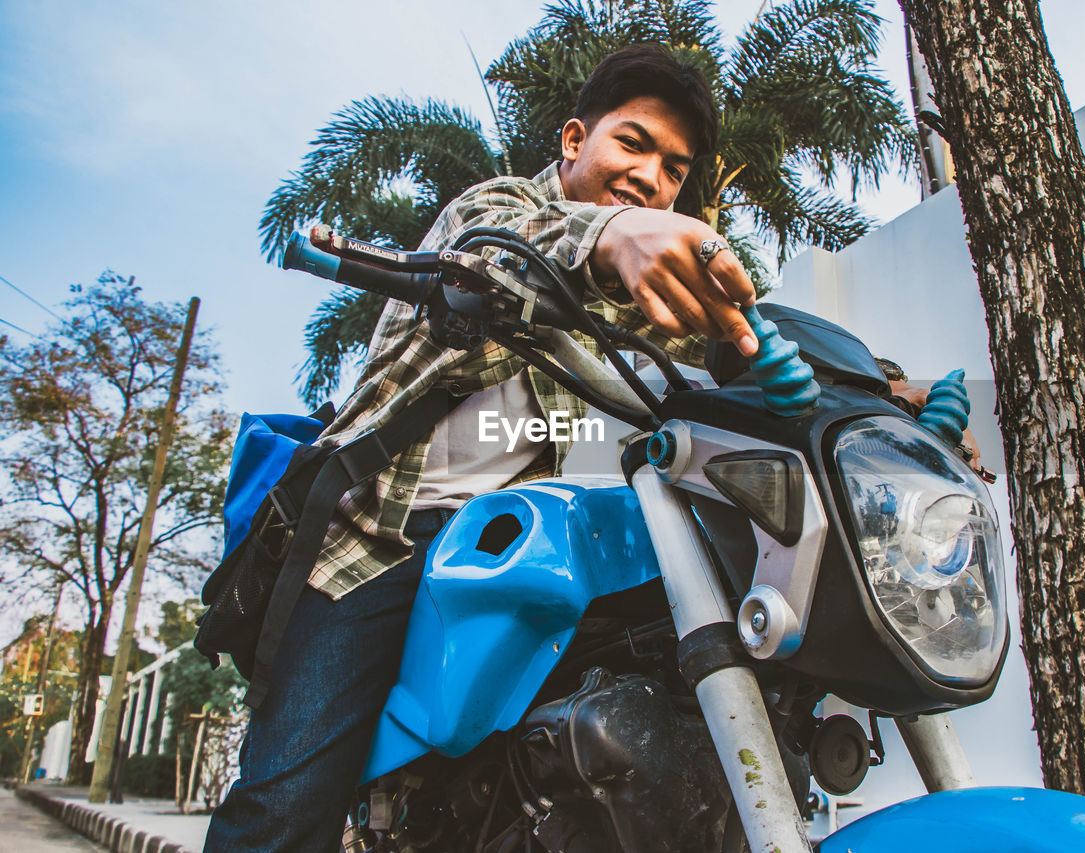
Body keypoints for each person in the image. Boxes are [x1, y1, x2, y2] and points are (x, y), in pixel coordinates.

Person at [204, 45, 760, 851]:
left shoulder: (623, 291)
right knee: (284, 810)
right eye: (633, 143)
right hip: (373, 546)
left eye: (673, 169)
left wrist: (877, 386)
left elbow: (731, 331)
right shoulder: (498, 211)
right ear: (574, 140)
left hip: (493, 556)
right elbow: (509, 249)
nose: (652, 177)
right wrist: (618, 233)